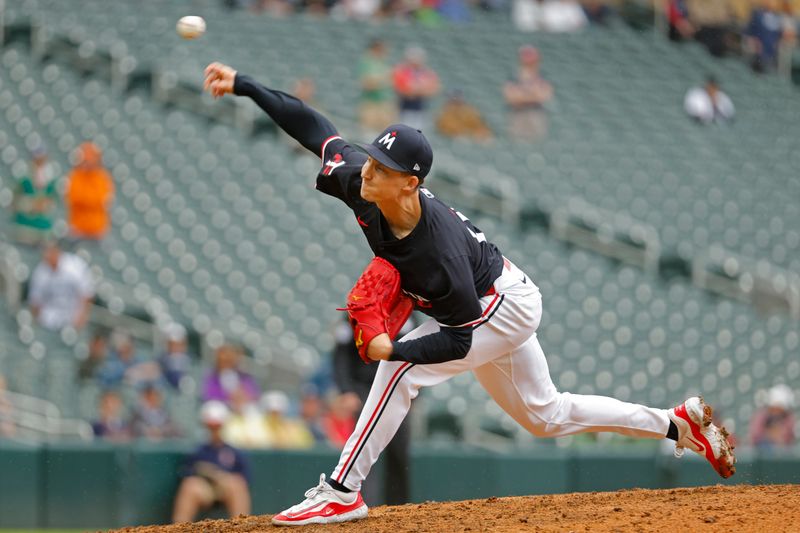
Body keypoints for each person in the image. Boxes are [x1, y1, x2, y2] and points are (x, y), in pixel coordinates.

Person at [203, 61, 736, 526]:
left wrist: (398, 349)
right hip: (486, 298)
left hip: (497, 304)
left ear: (409, 184)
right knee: (544, 415)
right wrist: (245, 84)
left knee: (400, 371)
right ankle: (674, 423)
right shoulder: (362, 183)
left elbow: (457, 340)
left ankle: (341, 493)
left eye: (381, 169)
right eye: (369, 159)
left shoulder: (439, 253)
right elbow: (314, 128)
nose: (366, 171)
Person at [333, 315, 416, 505]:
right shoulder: (356, 311)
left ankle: (399, 508)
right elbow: (341, 355)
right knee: (363, 449)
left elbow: (419, 351)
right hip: (362, 389)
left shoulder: (407, 308)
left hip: (396, 386)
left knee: (399, 449)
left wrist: (417, 388)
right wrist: (346, 390)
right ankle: (364, 505)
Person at [172, 401, 251, 523]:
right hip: (204, 490)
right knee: (190, 485)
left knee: (236, 484)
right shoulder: (197, 451)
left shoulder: (234, 452)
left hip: (226, 489)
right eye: (210, 426)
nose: (214, 430)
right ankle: (179, 527)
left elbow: (245, 477)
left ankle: (242, 526)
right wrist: (205, 473)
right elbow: (185, 473)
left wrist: (221, 477)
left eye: (217, 426)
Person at [28, 240, 94, 331]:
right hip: (49, 319)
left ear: (57, 251)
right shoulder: (40, 272)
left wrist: (82, 317)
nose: (48, 255)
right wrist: (39, 321)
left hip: (72, 316)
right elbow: (35, 302)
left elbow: (87, 293)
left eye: (51, 251)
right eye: (46, 252)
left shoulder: (75, 265)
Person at [65, 141, 115, 241]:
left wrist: (88, 200)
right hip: (78, 228)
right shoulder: (75, 176)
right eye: (86, 159)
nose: (89, 162)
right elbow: (74, 198)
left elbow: (103, 200)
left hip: (98, 229)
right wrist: (91, 200)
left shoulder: (102, 177)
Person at [503, 45, 553, 142]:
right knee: (517, 143)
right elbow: (510, 97)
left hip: (536, 114)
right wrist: (533, 94)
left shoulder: (542, 76)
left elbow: (545, 95)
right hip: (517, 114)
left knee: (538, 143)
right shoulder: (513, 77)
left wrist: (522, 94)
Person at [11, 143, 57, 245]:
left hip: (43, 228)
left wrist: (45, 204)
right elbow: (15, 201)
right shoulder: (24, 176)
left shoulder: (49, 177)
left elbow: (52, 200)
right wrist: (31, 204)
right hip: (26, 227)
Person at [392, 46, 440, 131]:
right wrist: (416, 90)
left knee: (419, 132)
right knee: (404, 131)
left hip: (421, 107)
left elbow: (434, 89)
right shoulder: (402, 70)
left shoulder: (426, 72)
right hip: (405, 107)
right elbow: (402, 89)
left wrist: (418, 90)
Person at [358, 39, 397, 137]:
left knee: (386, 132)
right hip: (371, 102)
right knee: (369, 133)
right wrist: (382, 80)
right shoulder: (367, 62)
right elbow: (367, 83)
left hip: (383, 102)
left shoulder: (383, 63)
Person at [202, 344, 261, 408]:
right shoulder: (212, 378)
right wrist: (230, 398)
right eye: (223, 361)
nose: (226, 363)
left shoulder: (245, 378)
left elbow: (254, 396)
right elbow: (209, 397)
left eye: (229, 361)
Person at [749, 384, 796, 451]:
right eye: (775, 408)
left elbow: (787, 439)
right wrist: (769, 435)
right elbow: (755, 437)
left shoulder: (788, 418)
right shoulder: (761, 416)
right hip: (762, 453)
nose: (776, 412)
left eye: (779, 408)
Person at [158, 323, 194, 390]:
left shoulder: (191, 360)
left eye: (179, 344)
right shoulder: (161, 360)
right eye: (172, 344)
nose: (176, 347)